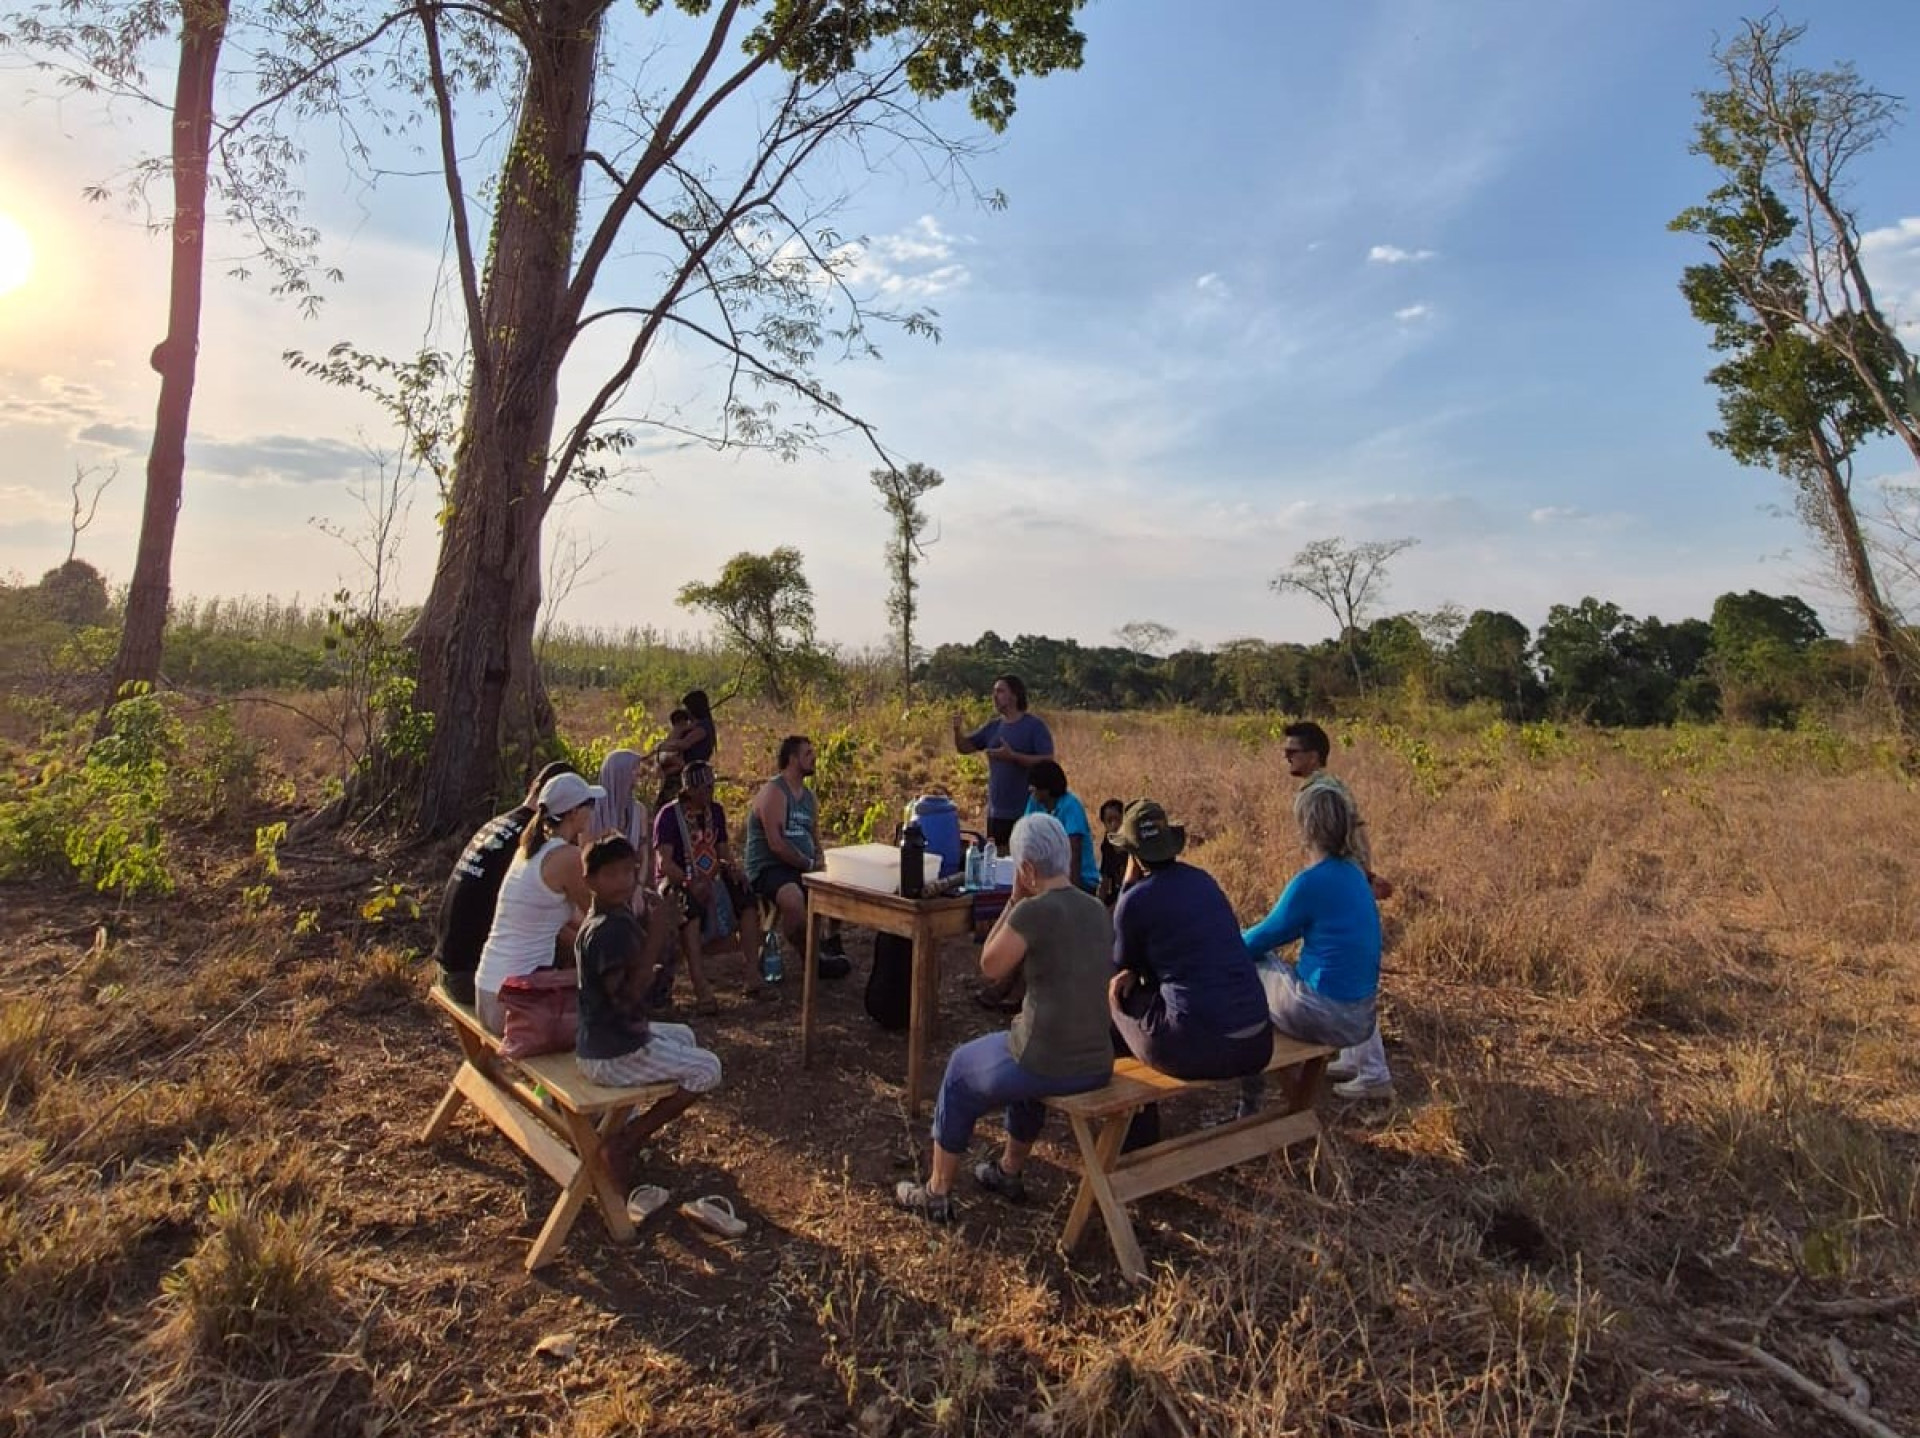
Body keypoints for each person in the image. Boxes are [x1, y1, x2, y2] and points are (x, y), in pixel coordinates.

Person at [894, 814, 1114, 1222]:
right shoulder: (1096, 909)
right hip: (1096, 1061)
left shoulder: (1033, 911)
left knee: (961, 1068)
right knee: (1022, 1058)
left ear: (1027, 870)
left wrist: (1014, 900)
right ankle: (1008, 1171)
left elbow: (991, 966)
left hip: (1048, 1058)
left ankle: (937, 1190)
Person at [1106, 799, 1274, 1144]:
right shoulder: (1204, 881)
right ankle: (1250, 1093)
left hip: (1200, 1049)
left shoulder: (1135, 900)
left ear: (1133, 856)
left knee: (1113, 1000)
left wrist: (1126, 886)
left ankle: (1133, 1142)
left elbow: (1121, 962)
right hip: (1258, 1041)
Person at [573, 834, 720, 1184]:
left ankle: (621, 1125)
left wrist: (660, 935)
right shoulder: (608, 931)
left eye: (628, 872)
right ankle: (626, 1141)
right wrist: (657, 934)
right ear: (589, 881)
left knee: (684, 1035)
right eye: (611, 874)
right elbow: (628, 1000)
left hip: (599, 1041)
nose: (623, 881)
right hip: (612, 1054)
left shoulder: (610, 918)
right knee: (708, 1069)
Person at [1241, 783, 1383, 1103]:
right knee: (1274, 964)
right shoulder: (1354, 872)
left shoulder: (1310, 882)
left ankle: (1248, 1086)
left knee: (1254, 961)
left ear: (1305, 828)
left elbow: (1257, 940)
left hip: (1322, 1016)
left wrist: (1224, 938)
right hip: (1362, 1018)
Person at [1281, 720, 1395, 1099]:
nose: (1287, 757)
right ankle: (1354, 1058)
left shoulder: (1316, 795)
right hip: (1348, 881)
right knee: (1344, 979)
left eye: (1293, 751)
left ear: (1314, 755)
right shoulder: (1332, 787)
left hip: (1337, 883)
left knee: (1336, 978)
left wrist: (1347, 880)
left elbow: (1333, 842)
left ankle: (1374, 1071)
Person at [432, 760, 577, 1004]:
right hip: (470, 977)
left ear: (533, 786)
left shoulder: (499, 823)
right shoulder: (531, 843)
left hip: (448, 965)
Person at [473, 770, 606, 1034]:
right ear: (573, 813)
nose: (593, 812)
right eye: (589, 805)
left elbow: (571, 919)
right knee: (609, 1005)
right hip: (514, 1005)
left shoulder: (527, 851)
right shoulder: (567, 857)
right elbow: (600, 914)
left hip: (486, 992)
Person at [652, 761, 768, 1009]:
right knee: (688, 910)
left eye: (711, 787)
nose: (709, 793)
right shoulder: (669, 816)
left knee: (746, 896)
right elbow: (665, 862)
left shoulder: (714, 811)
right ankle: (700, 986)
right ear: (689, 790)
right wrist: (688, 881)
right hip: (677, 879)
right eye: (704, 789)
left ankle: (752, 974)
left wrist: (732, 868)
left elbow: (723, 851)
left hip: (711, 874)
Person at [745, 735, 850, 979]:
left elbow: (814, 838)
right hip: (770, 867)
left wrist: (822, 863)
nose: (814, 758)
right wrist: (808, 865)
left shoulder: (809, 797)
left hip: (801, 866)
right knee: (793, 898)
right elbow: (777, 845)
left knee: (840, 887)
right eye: (808, 754)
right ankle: (812, 960)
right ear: (792, 759)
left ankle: (829, 942)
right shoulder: (774, 791)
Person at [951, 674, 1053, 849]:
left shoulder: (1034, 726)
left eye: (1000, 691)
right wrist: (957, 730)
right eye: (994, 692)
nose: (994, 696)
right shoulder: (993, 727)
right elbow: (965, 748)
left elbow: (1048, 761)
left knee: (1022, 862)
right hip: (996, 812)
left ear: (1014, 695)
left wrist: (1014, 756)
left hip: (1025, 811)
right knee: (996, 863)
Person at [1022, 761, 1100, 894]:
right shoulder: (1035, 802)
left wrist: (1071, 893)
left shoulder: (1071, 806)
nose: (1030, 789)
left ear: (1047, 788)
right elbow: (1027, 835)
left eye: (1034, 786)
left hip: (1080, 882)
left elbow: (1074, 851)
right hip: (1051, 879)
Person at [593, 749, 656, 889]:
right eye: (633, 771)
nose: (637, 776)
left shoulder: (640, 811)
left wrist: (638, 888)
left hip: (631, 885)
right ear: (619, 773)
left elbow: (643, 854)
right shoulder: (592, 811)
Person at [653, 690, 717, 811]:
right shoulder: (693, 725)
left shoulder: (703, 727)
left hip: (694, 776)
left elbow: (684, 745)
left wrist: (662, 746)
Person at [1096, 797, 1127, 908]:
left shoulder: (1132, 847)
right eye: (1109, 821)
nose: (1114, 825)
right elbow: (1105, 880)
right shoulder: (1107, 845)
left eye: (1117, 820)